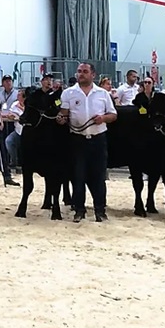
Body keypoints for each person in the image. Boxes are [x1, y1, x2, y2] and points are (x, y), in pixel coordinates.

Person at [58, 62, 117, 223]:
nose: (81, 74)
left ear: (93, 75)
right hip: (77, 139)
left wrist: (103, 118)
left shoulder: (103, 94)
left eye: (85, 71)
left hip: (98, 139)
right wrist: (61, 119)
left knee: (99, 176)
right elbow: (63, 114)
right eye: (79, 71)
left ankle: (100, 210)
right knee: (78, 175)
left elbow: (113, 115)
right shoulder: (68, 93)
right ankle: (79, 210)